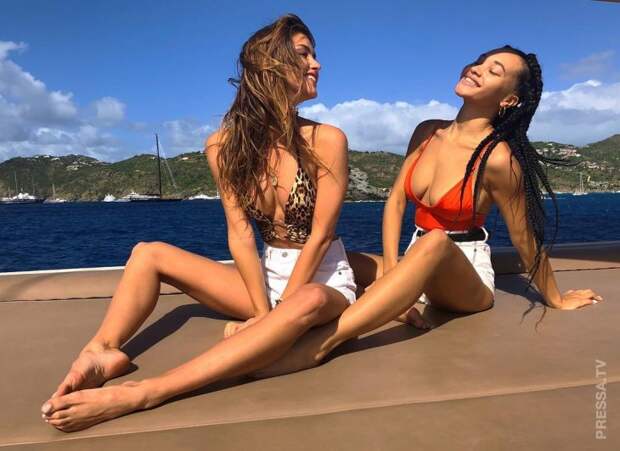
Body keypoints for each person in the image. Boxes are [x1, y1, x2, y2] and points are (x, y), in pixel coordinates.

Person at [40, 14, 357, 432]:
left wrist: (274, 316)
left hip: (323, 279)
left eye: (314, 54)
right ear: (271, 65)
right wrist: (262, 312)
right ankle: (101, 350)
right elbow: (240, 234)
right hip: (266, 281)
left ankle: (146, 392)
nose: (316, 63)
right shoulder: (223, 145)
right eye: (304, 54)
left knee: (309, 299)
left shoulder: (327, 140)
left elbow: (320, 235)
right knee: (148, 253)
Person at [252, 46, 604, 378]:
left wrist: (555, 298)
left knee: (433, 242)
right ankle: (273, 317)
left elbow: (523, 236)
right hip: (415, 260)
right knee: (339, 258)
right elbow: (395, 202)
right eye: (479, 62)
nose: (477, 69)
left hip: (464, 276)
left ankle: (322, 343)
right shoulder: (427, 131)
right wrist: (392, 272)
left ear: (508, 99)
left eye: (493, 71)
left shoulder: (498, 158)